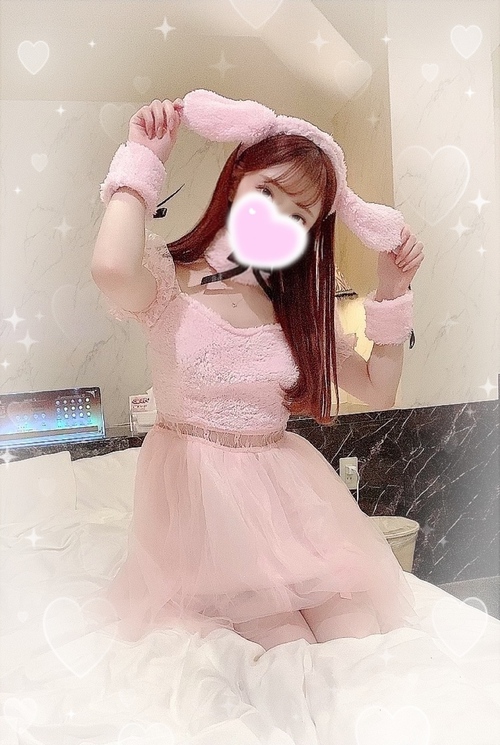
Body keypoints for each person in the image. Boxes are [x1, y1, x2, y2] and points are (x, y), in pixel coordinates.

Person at [90, 92, 425, 651]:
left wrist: (392, 290)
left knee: (357, 635)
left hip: (286, 496)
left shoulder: (298, 308)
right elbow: (111, 268)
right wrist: (141, 163)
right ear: (235, 181)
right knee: (283, 646)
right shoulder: (169, 278)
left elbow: (378, 389)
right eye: (267, 192)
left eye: (298, 216)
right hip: (203, 504)